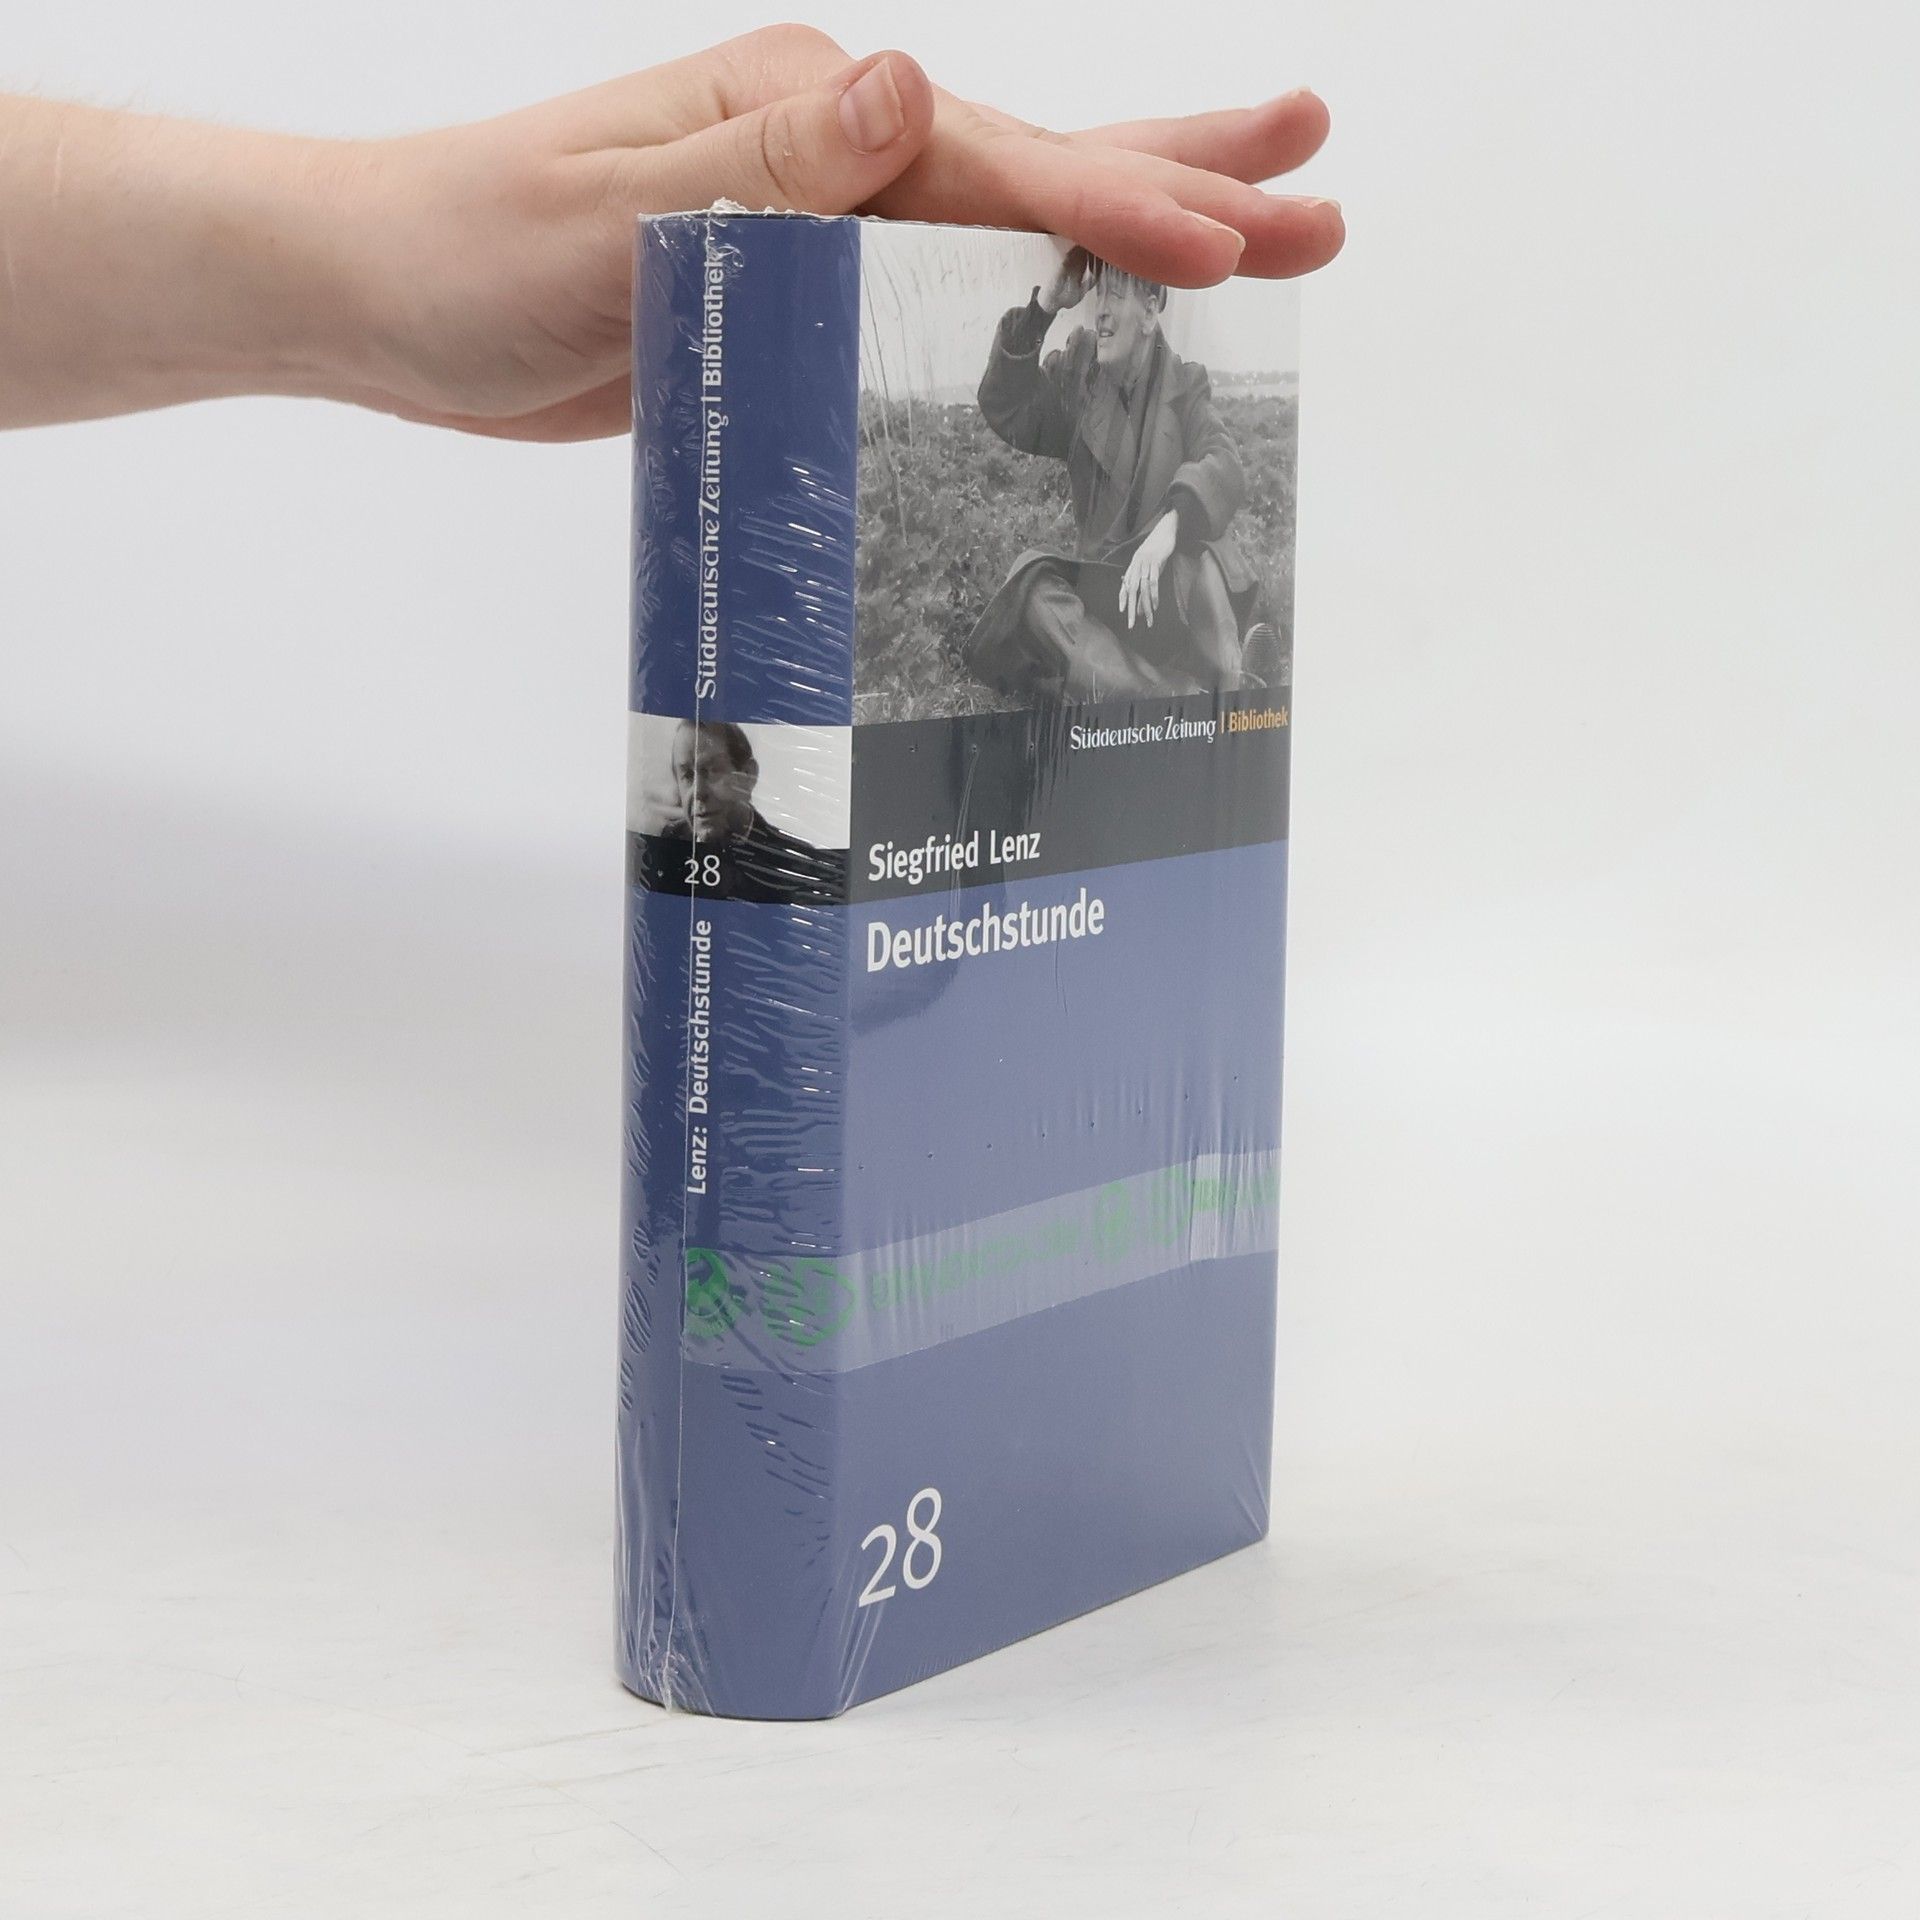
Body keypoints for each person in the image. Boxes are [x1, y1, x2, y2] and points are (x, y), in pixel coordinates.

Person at [0, 29, 1343, 440]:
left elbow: (1214, 481)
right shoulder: (1070, 379)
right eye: (1106, 300)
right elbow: (1009, 419)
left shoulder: (1190, 403)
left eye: (1123, 306)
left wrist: (366, 269)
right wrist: (1029, 315)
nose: (1113, 315)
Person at [966, 248, 1272, 701]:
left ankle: (1231, 672)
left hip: (1168, 596)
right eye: (1099, 296)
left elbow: (1223, 460)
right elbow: (1005, 403)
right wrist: (1045, 307)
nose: (1101, 312)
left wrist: (1170, 525)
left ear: (1149, 312)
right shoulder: (1076, 373)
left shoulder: (1186, 383)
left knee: (1206, 546)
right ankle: (1176, 696)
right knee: (1030, 584)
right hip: (1107, 598)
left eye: (1116, 295)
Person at [630, 720, 846, 906]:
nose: (698, 792)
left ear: (748, 776)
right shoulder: (669, 842)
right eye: (687, 775)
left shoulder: (795, 866)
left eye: (713, 771)